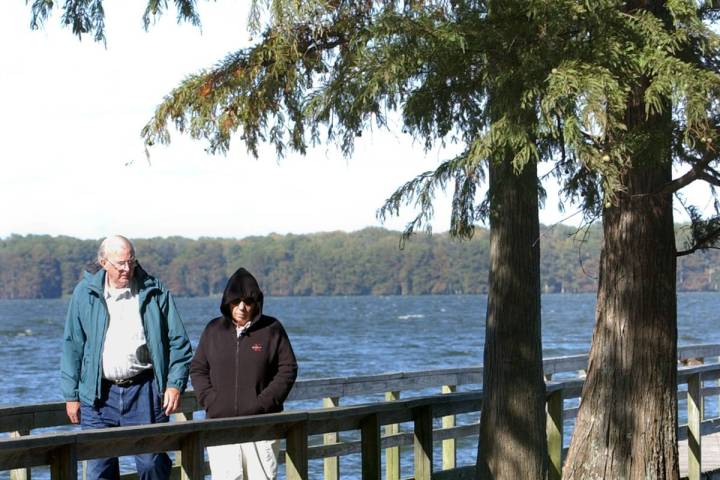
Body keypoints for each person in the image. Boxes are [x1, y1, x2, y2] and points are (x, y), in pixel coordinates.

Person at [61, 235, 193, 480]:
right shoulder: (84, 293)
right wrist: (71, 395)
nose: (127, 269)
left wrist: (175, 384)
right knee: (98, 470)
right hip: (99, 395)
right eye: (120, 263)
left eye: (131, 262)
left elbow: (180, 343)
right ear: (103, 263)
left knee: (151, 464)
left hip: (145, 390)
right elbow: (72, 345)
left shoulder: (155, 290)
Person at [190, 267, 298, 480]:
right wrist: (212, 401)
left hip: (262, 426)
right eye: (236, 301)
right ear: (227, 302)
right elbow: (198, 368)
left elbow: (288, 369)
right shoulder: (213, 330)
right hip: (221, 425)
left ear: (256, 303)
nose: (241, 307)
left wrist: (263, 403)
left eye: (248, 302)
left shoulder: (272, 329)